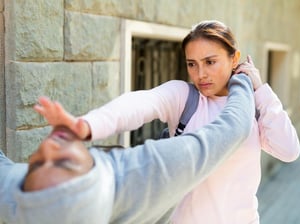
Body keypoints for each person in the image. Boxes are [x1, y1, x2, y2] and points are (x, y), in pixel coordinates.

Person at [34, 20, 300, 224]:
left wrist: (260, 89)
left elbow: (288, 151)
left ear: (234, 58)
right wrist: (88, 125)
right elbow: (140, 103)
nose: (201, 74)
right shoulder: (185, 97)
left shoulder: (252, 105)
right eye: (192, 64)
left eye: (210, 62)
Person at [0, 74, 255, 224]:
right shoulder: (142, 178)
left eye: (35, 162)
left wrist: (87, 125)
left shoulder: (11, 194)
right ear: (93, 182)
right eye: (62, 163)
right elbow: (233, 128)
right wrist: (242, 79)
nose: (49, 148)